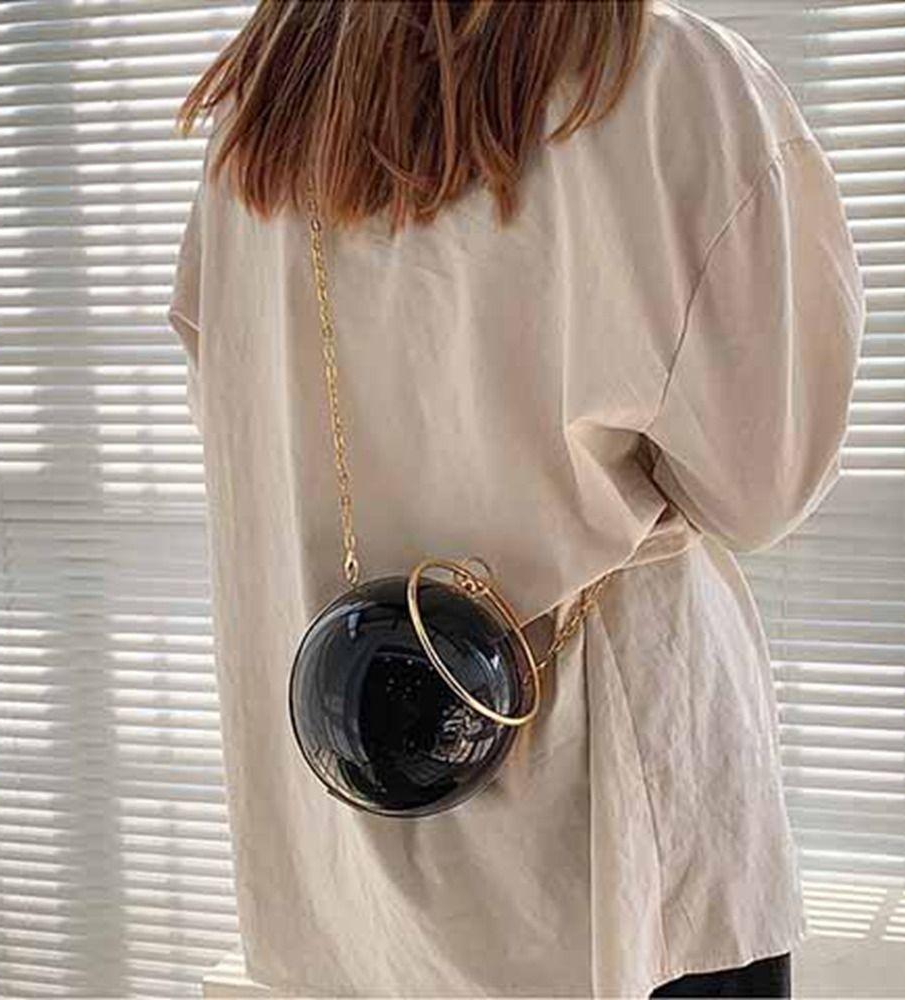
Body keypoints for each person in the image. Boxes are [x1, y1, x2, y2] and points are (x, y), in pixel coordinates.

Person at [167, 1, 865, 996]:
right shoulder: (665, 80)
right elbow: (763, 485)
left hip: (352, 837)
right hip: (616, 853)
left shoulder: (260, 108)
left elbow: (239, 428)